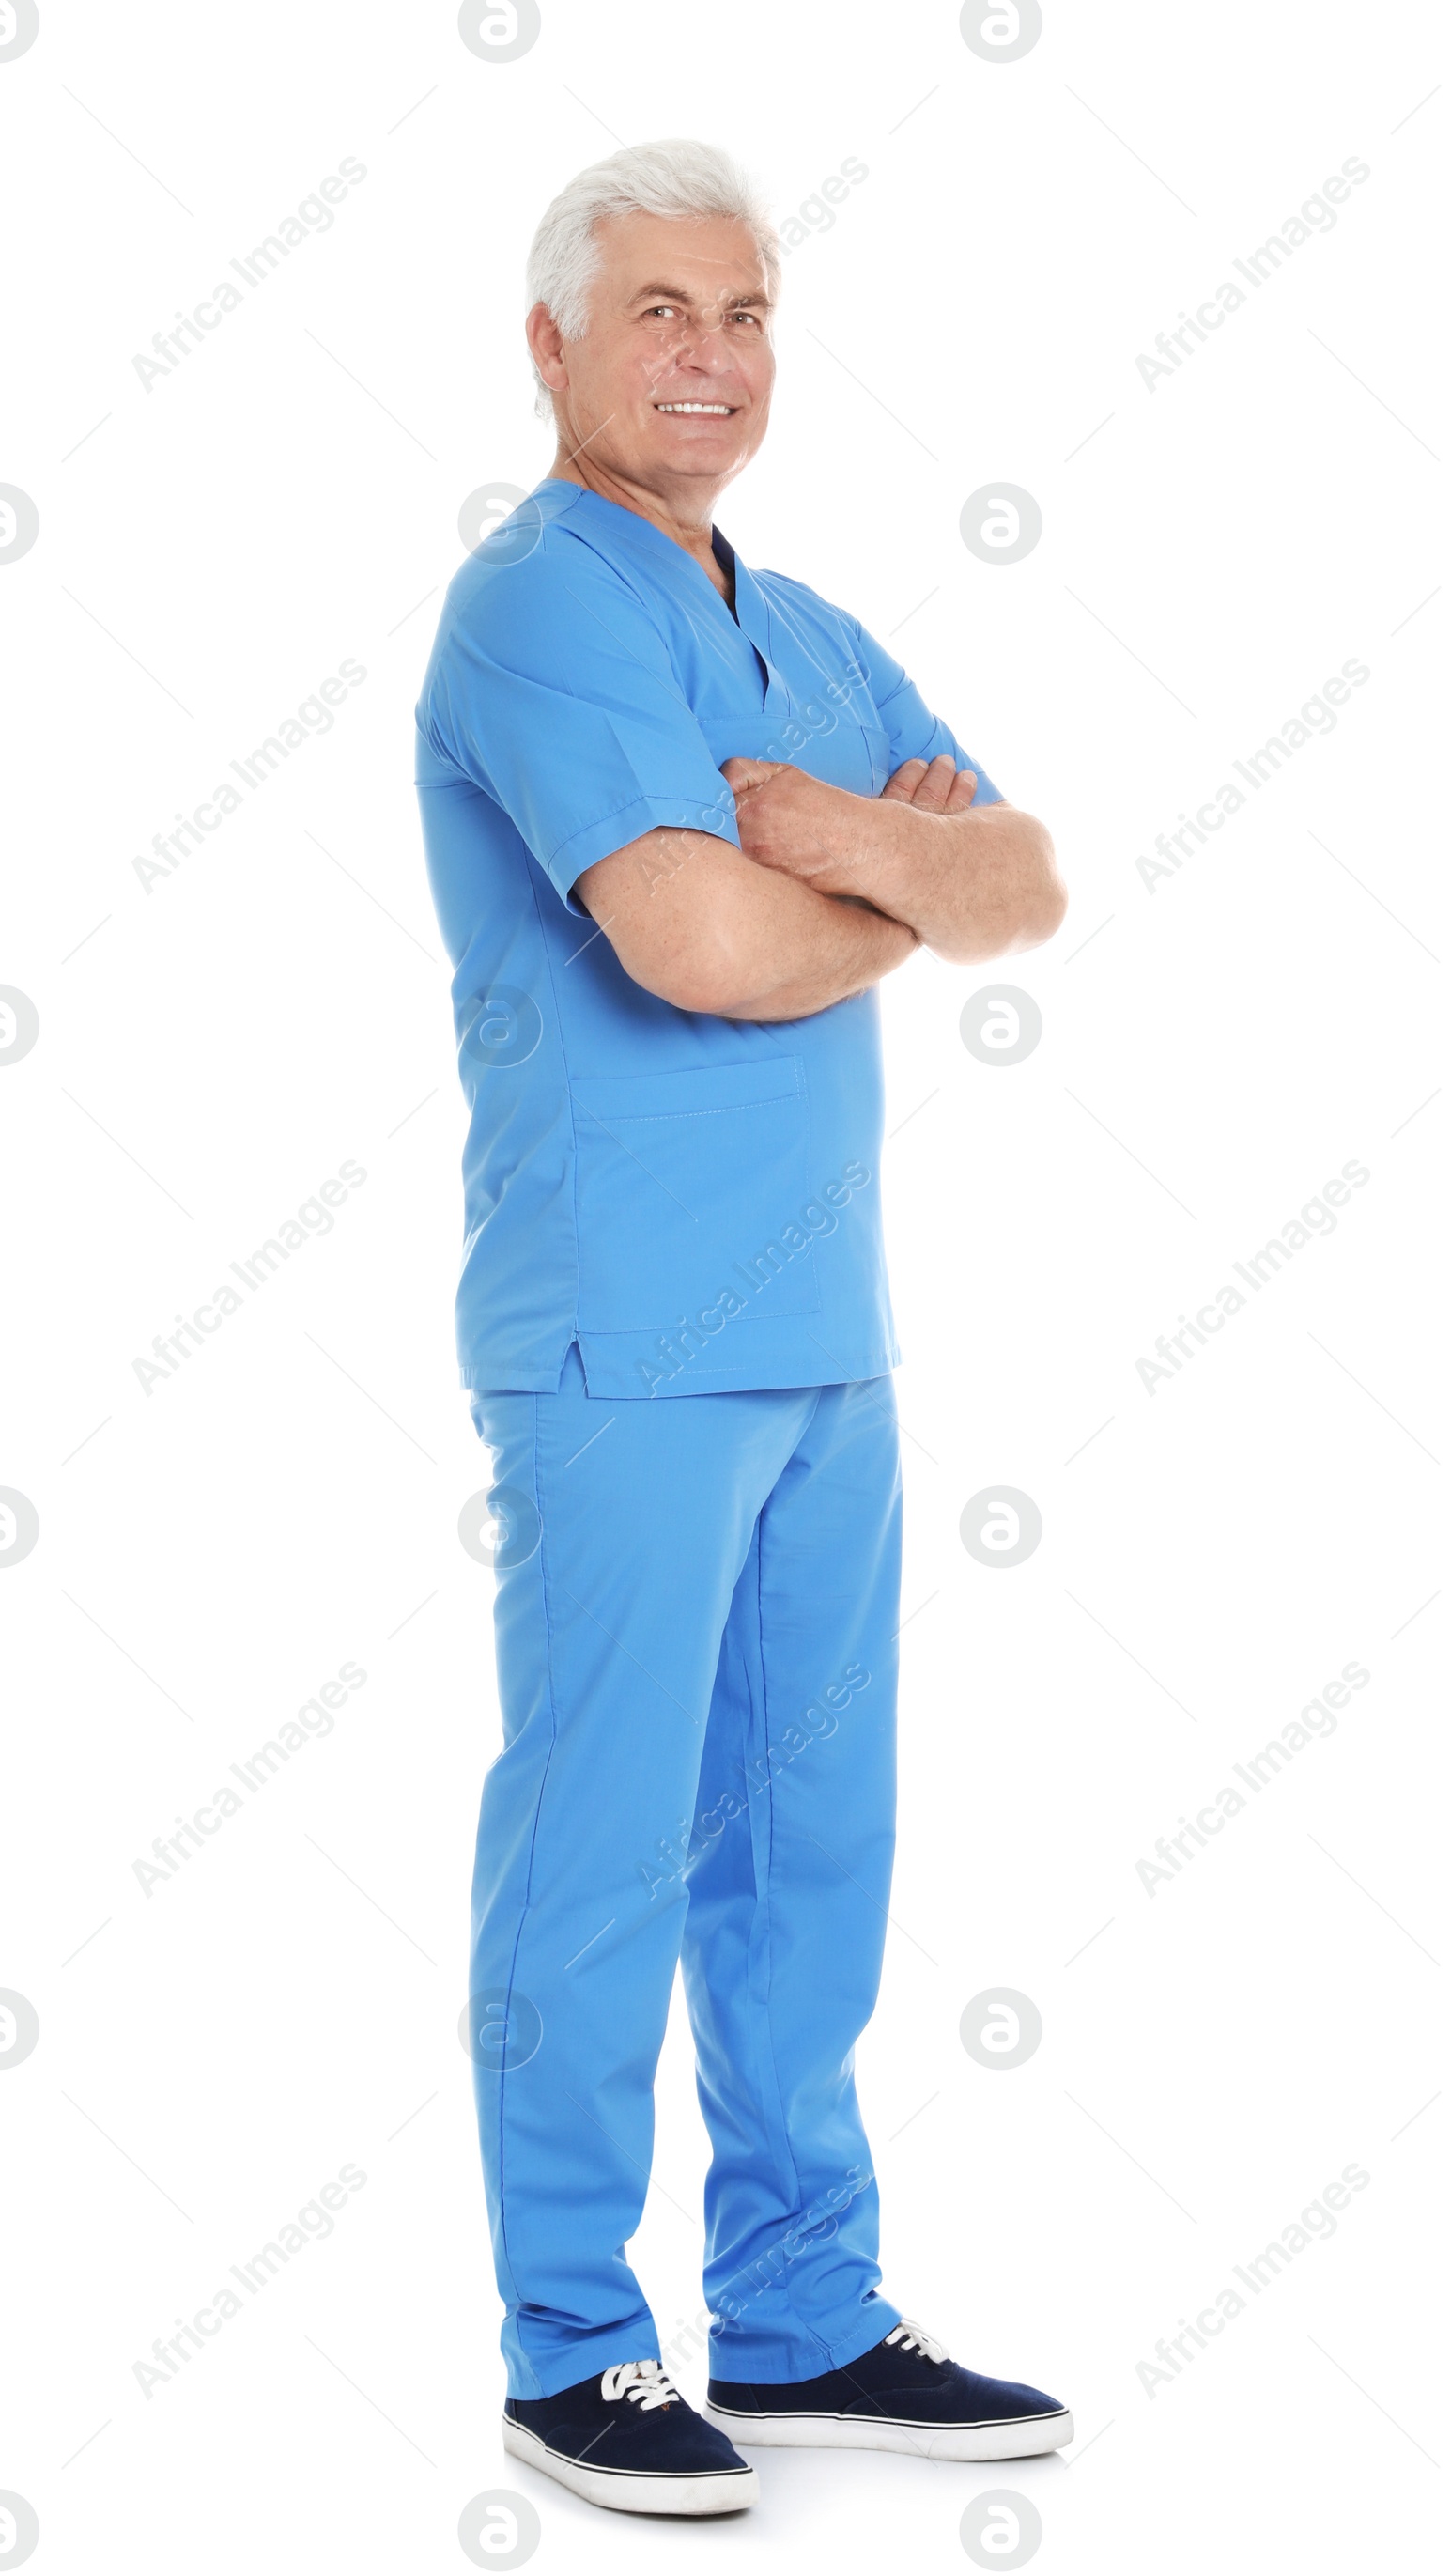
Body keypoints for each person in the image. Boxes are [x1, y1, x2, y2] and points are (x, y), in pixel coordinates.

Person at [415, 139, 1070, 2520]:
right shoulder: (537, 614)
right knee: (593, 1849)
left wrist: (861, 852)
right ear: (554, 347)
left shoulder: (800, 626)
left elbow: (1027, 873)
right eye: (662, 309)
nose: (712, 353)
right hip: (620, 1348)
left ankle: (795, 2316)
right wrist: (879, 877)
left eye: (747, 309)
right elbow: (689, 949)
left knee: (809, 1852)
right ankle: (570, 2341)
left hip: (824, 1342)